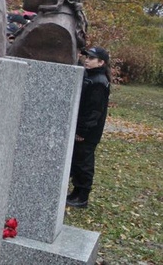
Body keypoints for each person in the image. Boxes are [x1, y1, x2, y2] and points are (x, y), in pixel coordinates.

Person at [67, 46, 111, 209]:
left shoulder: (99, 82)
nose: (87, 60)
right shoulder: (90, 76)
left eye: (91, 58)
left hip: (88, 132)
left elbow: (94, 111)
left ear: (101, 62)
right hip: (84, 128)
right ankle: (76, 192)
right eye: (86, 57)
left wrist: (82, 131)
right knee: (78, 161)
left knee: (84, 162)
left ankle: (82, 196)